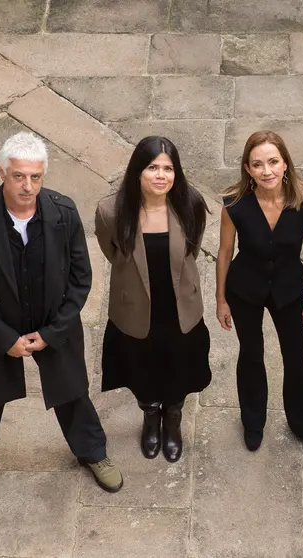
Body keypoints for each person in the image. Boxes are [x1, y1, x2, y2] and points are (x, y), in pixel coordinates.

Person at [0, 132, 122, 507]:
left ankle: (93, 451)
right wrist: (2, 338)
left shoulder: (63, 213)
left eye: (36, 177)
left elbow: (80, 279)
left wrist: (53, 332)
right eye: (19, 176)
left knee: (71, 390)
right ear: (2, 172)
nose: (28, 186)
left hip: (54, 322)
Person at [95, 136, 211, 463]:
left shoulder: (191, 204)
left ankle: (172, 419)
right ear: (138, 171)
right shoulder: (110, 211)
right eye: (152, 167)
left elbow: (192, 249)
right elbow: (112, 252)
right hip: (136, 308)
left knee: (178, 367)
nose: (161, 175)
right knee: (141, 368)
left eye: (168, 168)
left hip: (179, 309)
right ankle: (150, 416)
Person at [215, 131, 303, 453]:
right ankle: (253, 422)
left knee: (296, 358)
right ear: (247, 169)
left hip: (290, 290)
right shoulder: (234, 206)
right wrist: (221, 300)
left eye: (273, 162)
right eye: (258, 164)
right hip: (245, 289)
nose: (267, 171)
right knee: (250, 355)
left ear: (285, 163)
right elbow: (224, 253)